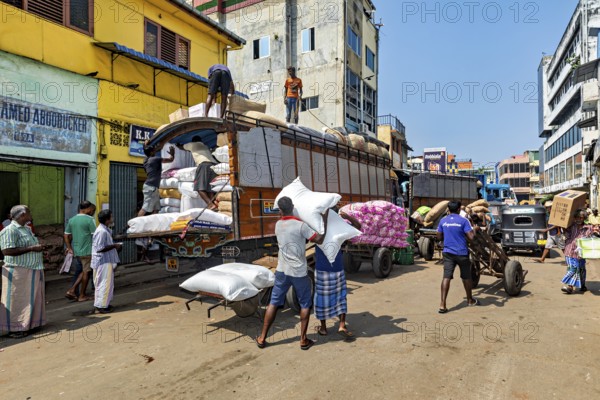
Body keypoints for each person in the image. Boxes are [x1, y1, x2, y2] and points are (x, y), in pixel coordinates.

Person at [256, 197, 327, 350]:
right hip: (299, 272)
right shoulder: (301, 226)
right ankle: (303, 340)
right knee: (305, 304)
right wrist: (324, 221)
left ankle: (262, 338)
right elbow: (319, 240)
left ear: (280, 210)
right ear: (293, 207)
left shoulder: (278, 225)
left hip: (281, 270)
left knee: (273, 302)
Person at [314, 209, 361, 339]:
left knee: (322, 298)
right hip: (337, 268)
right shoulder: (340, 228)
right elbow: (358, 226)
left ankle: (323, 328)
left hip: (322, 269)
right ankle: (341, 325)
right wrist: (347, 216)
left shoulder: (318, 228)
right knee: (341, 297)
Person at [0, 205, 46, 338]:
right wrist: (32, 248)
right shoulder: (10, 230)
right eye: (29, 212)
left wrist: (39, 250)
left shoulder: (26, 229)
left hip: (32, 267)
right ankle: (16, 328)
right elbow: (7, 251)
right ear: (22, 215)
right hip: (18, 270)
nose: (31, 214)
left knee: (30, 299)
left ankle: (29, 324)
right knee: (18, 299)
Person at [436, 200, 478, 313]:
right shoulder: (464, 221)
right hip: (461, 253)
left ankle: (442, 304)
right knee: (466, 277)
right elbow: (471, 238)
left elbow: (439, 237)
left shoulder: (443, 221)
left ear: (448, 210)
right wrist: (474, 230)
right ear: (459, 209)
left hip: (448, 253)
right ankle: (469, 300)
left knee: (446, 277)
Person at [64, 201, 97, 302]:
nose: (92, 211)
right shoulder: (90, 220)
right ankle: (81, 295)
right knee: (86, 272)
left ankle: (73, 290)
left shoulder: (72, 220)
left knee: (83, 271)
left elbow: (66, 235)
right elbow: (95, 235)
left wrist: (69, 247)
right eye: (91, 209)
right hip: (87, 250)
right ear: (86, 209)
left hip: (77, 250)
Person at [560, 208, 599, 294]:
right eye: (577, 217)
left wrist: (596, 231)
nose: (579, 219)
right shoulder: (570, 226)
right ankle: (570, 287)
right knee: (572, 268)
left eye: (581, 217)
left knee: (581, 269)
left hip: (582, 253)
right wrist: (563, 228)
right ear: (574, 218)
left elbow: (595, 233)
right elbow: (566, 235)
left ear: (584, 218)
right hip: (570, 251)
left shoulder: (588, 227)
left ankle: (582, 285)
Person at [91, 210, 121, 314]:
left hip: (104, 260)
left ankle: (104, 304)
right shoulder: (101, 231)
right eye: (111, 217)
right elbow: (100, 248)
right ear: (107, 219)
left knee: (105, 283)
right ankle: (101, 306)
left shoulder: (105, 229)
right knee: (104, 283)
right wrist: (114, 246)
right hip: (102, 261)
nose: (112, 219)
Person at [179, 136, 219, 210]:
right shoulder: (205, 146)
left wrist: (177, 144)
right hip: (214, 166)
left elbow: (182, 147)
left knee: (199, 188)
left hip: (204, 165)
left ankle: (211, 205)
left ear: (193, 141)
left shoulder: (192, 145)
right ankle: (215, 206)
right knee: (210, 189)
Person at [138, 146, 175, 217]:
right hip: (151, 188)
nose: (155, 152)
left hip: (151, 187)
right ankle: (135, 225)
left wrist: (145, 146)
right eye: (154, 151)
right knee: (145, 208)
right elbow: (171, 160)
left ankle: (152, 223)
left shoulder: (145, 160)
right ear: (151, 152)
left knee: (157, 208)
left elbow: (148, 151)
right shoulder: (156, 159)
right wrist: (172, 154)